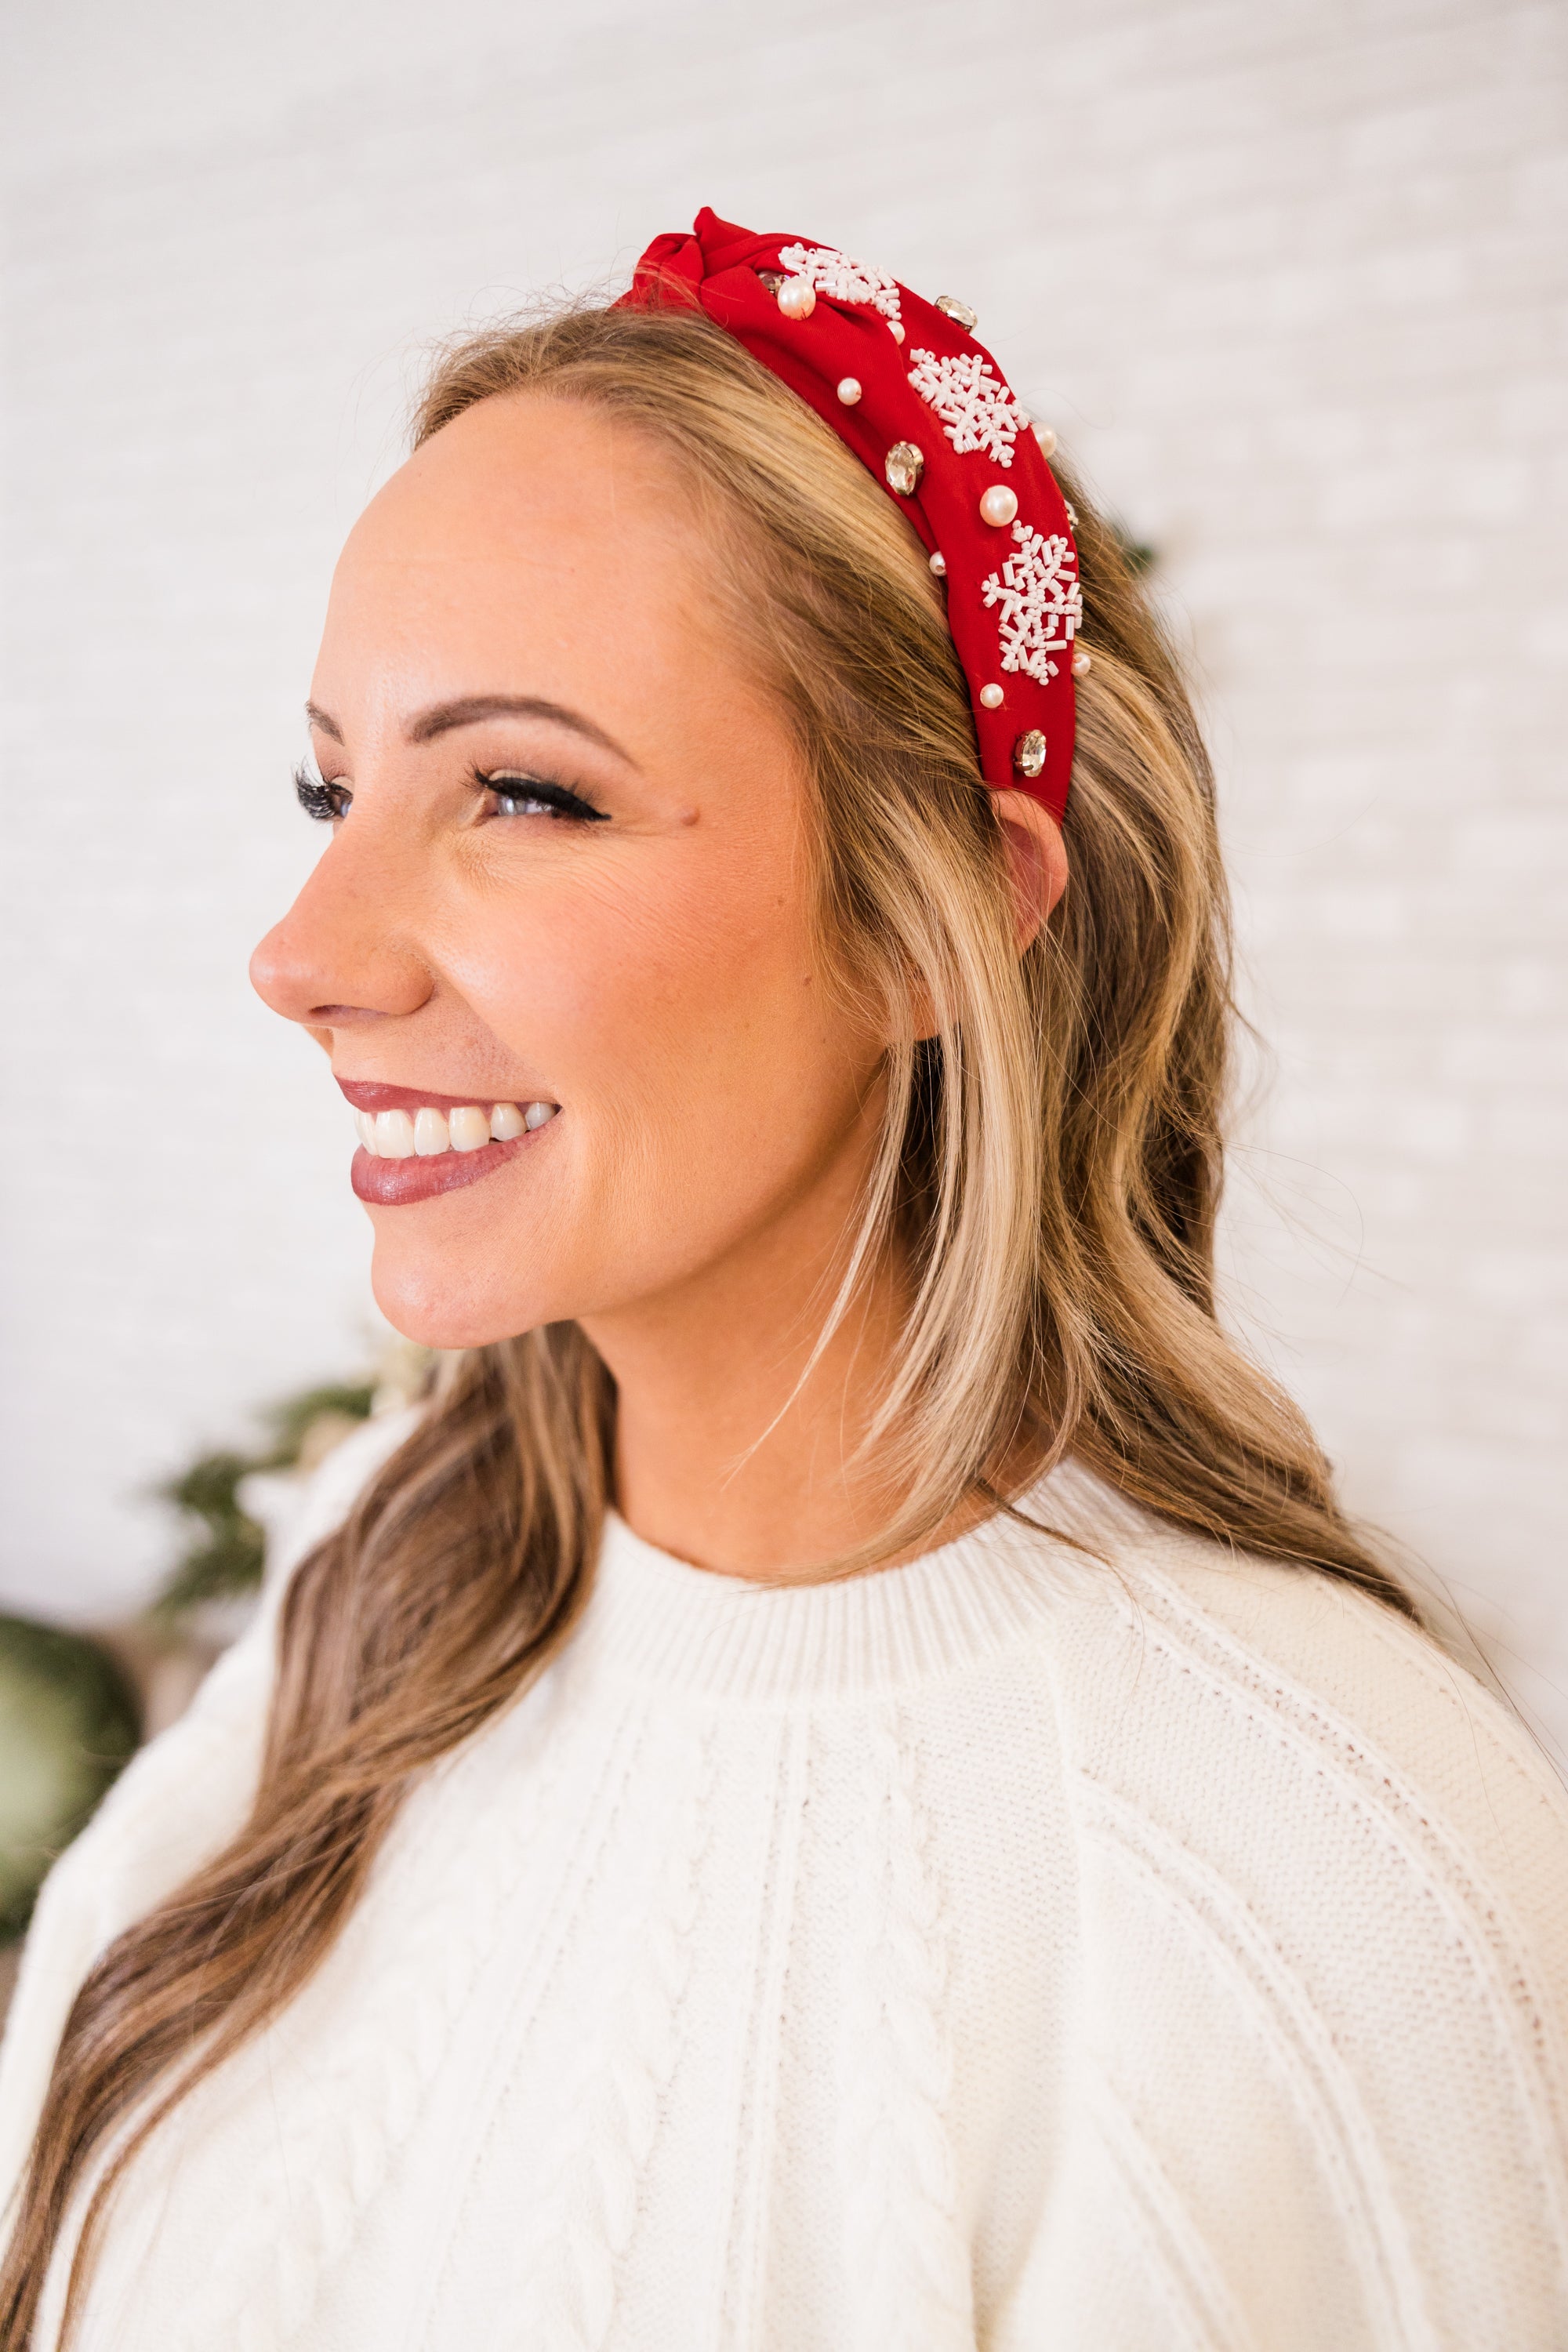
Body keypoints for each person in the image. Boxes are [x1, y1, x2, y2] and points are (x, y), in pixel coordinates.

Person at [2, 208, 1565, 2352]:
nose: (307, 956)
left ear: (938, 924)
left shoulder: (1336, 1874)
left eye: (527, 794)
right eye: (333, 783)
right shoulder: (391, 1573)